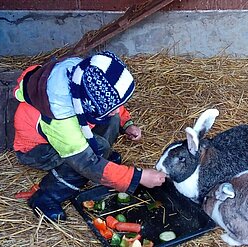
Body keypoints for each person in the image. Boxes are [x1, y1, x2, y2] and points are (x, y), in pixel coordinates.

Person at [12, 51, 166, 222]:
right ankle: (45, 197)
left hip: (70, 127)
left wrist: (126, 122)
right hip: (37, 150)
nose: (117, 108)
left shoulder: (83, 73)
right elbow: (86, 162)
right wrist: (138, 176)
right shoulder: (58, 116)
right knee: (93, 155)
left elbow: (111, 102)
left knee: (111, 117)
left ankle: (104, 161)